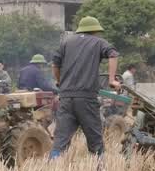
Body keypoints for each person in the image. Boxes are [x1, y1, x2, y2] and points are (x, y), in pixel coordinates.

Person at [50, 15, 119, 160]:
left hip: (66, 99)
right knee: (95, 142)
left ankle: (52, 170)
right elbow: (113, 54)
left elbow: (55, 64)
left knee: (60, 142)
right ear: (95, 31)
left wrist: (60, 82)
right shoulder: (98, 42)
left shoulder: (66, 43)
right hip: (87, 99)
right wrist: (112, 80)